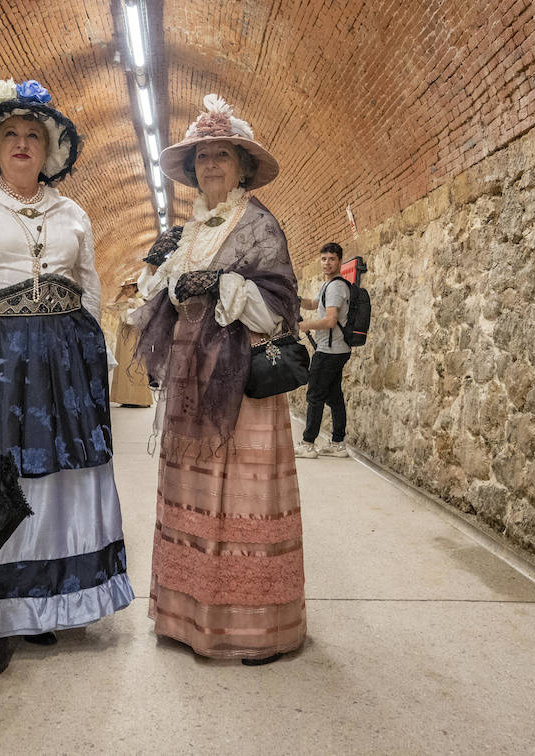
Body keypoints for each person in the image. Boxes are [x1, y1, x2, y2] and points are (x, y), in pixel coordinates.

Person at [0, 78, 133, 678]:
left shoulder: (73, 212)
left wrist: (96, 352)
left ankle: (42, 605)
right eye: (11, 135)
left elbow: (90, 283)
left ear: (50, 149)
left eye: (33, 136)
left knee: (60, 473)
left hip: (62, 356)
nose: (22, 144)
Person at [129, 93, 305, 666]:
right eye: (202, 156)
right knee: (193, 490)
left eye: (221, 155)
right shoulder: (184, 233)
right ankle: (187, 616)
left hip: (239, 386)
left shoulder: (258, 226)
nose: (210, 165)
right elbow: (149, 303)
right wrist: (162, 276)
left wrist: (223, 285)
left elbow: (276, 310)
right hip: (188, 378)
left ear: (242, 165)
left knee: (240, 499)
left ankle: (246, 627)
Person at [296, 242, 352, 459]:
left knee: (315, 395)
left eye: (331, 259)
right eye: (323, 259)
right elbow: (311, 303)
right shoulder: (328, 285)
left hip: (329, 351)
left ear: (339, 261)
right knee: (334, 396)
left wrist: (306, 325)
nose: (327, 263)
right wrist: (294, 298)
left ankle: (308, 443)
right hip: (336, 349)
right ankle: (338, 443)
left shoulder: (337, 287)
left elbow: (330, 320)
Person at [109, 282, 153, 408]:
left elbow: (142, 317)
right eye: (125, 288)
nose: (126, 290)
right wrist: (119, 295)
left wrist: (130, 303)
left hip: (133, 336)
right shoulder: (125, 302)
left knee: (133, 363)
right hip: (124, 337)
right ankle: (126, 397)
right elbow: (110, 306)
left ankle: (138, 399)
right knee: (124, 363)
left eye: (129, 288)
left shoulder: (138, 301)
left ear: (134, 288)